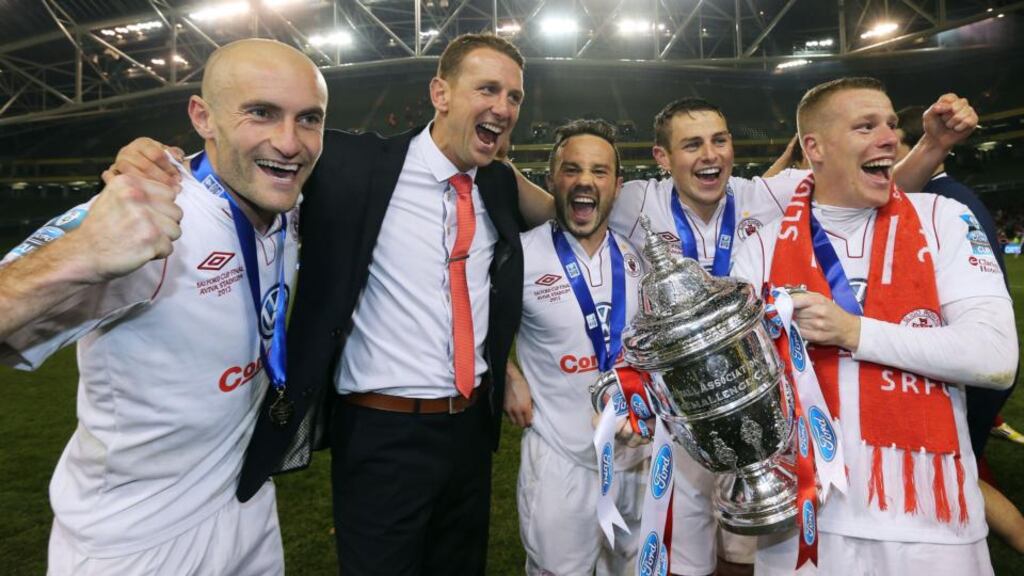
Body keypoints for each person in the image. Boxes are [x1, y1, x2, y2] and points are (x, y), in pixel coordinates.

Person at [511, 93, 976, 576]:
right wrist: (500, 165)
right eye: (692, 144)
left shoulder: (769, 194)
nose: (709, 155)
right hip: (688, 422)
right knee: (683, 557)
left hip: (755, 411)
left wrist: (932, 145)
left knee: (745, 553)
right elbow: (565, 207)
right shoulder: (636, 200)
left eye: (719, 140)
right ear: (662, 159)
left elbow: (871, 185)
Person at [1, 38, 327, 574]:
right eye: (261, 113)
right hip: (136, 540)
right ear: (203, 116)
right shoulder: (145, 209)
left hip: (246, 505)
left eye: (308, 119)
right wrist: (79, 253)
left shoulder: (285, 199)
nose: (289, 142)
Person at [732, 76, 1017, 575]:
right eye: (865, 126)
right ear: (814, 147)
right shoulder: (761, 245)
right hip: (807, 522)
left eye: (890, 124)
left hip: (932, 520)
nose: (888, 136)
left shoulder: (943, 218)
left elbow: (995, 358)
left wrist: (853, 332)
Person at [504, 119, 649, 574]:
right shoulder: (519, 257)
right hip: (562, 459)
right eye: (572, 169)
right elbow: (470, 326)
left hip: (635, 457)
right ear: (553, 180)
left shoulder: (639, 260)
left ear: (616, 185)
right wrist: (508, 375)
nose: (585, 180)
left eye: (600, 171)